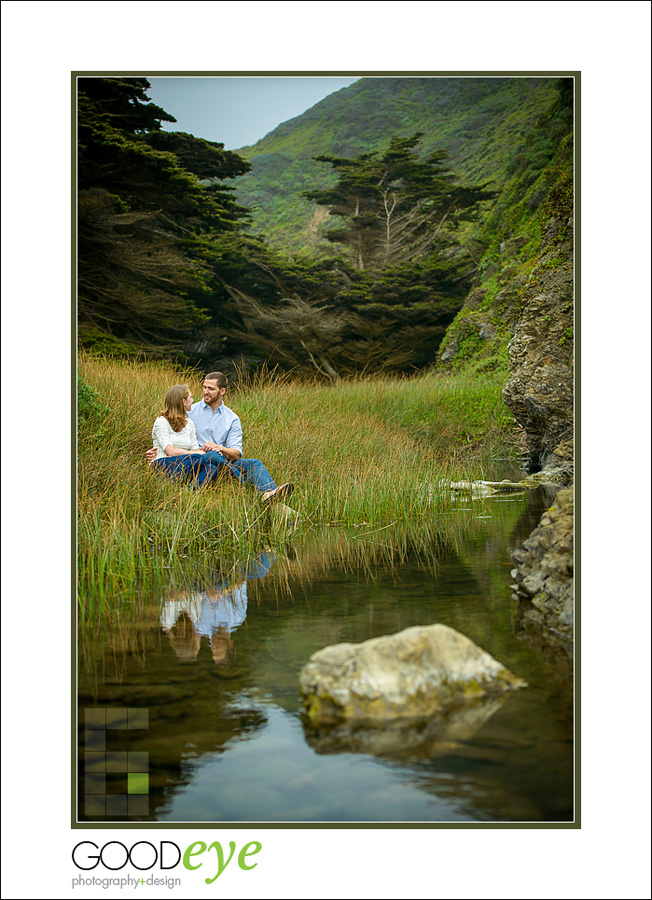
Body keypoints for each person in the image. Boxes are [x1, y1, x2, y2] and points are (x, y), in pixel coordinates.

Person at [147, 372, 293, 503]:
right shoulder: (189, 412)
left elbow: (236, 453)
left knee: (254, 463)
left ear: (222, 391)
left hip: (223, 463)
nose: (205, 392)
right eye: (204, 387)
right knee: (210, 456)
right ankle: (247, 485)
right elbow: (170, 431)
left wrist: (220, 448)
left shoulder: (232, 418)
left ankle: (269, 492)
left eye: (211, 389)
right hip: (198, 461)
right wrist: (155, 451)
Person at [150, 384, 223, 489]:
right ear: (184, 402)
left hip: (187, 463)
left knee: (211, 468)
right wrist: (197, 454)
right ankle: (166, 484)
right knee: (197, 458)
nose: (193, 400)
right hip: (162, 462)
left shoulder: (189, 423)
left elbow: (195, 449)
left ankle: (189, 492)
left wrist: (208, 451)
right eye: (190, 397)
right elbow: (170, 452)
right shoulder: (161, 422)